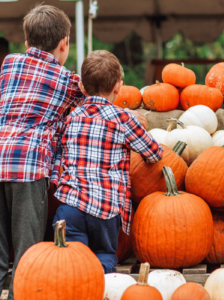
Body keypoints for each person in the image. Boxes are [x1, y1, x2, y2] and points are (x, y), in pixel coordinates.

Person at [0, 5, 146, 300]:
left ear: (26, 43)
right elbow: (92, 97)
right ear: (65, 44)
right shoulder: (65, 80)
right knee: (26, 255)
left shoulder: (10, 63)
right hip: (29, 169)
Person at [52, 50, 163, 273]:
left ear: (82, 88)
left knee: (71, 263)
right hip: (105, 209)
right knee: (104, 255)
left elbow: (59, 152)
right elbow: (154, 153)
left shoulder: (71, 118)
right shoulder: (123, 119)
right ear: (118, 87)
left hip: (70, 206)